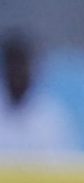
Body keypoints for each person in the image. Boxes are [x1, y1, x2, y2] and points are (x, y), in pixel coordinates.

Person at [0, 30, 76, 158]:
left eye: (21, 64)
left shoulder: (51, 113)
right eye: (12, 64)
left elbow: (64, 165)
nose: (17, 71)